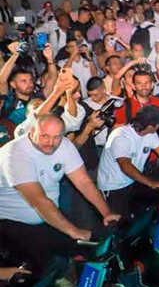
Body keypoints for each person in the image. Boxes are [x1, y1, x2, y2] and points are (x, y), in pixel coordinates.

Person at [0, 114, 120, 276]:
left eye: (56, 137)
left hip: (49, 214)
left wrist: (106, 213)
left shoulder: (64, 146)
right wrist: (74, 232)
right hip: (11, 221)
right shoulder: (14, 154)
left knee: (87, 248)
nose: (50, 142)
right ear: (32, 130)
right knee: (37, 270)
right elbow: (38, 201)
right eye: (44, 136)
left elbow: (84, 181)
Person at [97, 106, 159, 220]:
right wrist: (150, 183)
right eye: (158, 123)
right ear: (151, 126)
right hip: (114, 187)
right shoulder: (121, 136)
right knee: (122, 223)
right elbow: (125, 166)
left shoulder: (150, 134)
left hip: (133, 181)